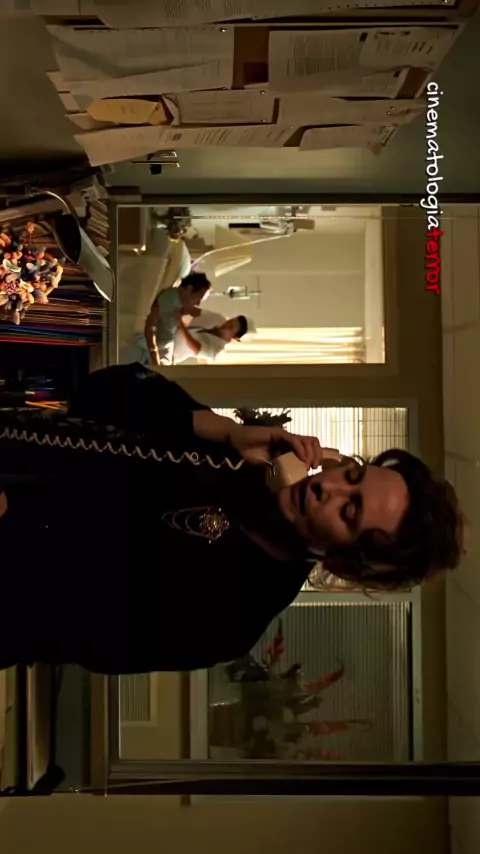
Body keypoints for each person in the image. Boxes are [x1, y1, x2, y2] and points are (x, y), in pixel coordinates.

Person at [0, 363, 464, 675]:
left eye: (349, 510)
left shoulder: (231, 622)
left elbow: (60, 630)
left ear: (345, 562)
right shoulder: (237, 459)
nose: (329, 487)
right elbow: (102, 390)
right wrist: (224, 430)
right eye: (352, 475)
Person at [121, 271, 211, 366]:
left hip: (166, 348)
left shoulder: (181, 302)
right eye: (199, 297)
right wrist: (154, 353)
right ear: (189, 289)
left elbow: (199, 314)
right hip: (160, 347)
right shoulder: (170, 298)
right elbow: (151, 324)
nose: (198, 303)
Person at [173, 308, 255, 363]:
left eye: (230, 327)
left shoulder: (217, 349)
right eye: (229, 321)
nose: (225, 325)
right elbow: (195, 311)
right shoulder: (218, 318)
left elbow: (196, 348)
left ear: (234, 337)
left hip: (172, 352)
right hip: (172, 330)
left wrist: (181, 325)